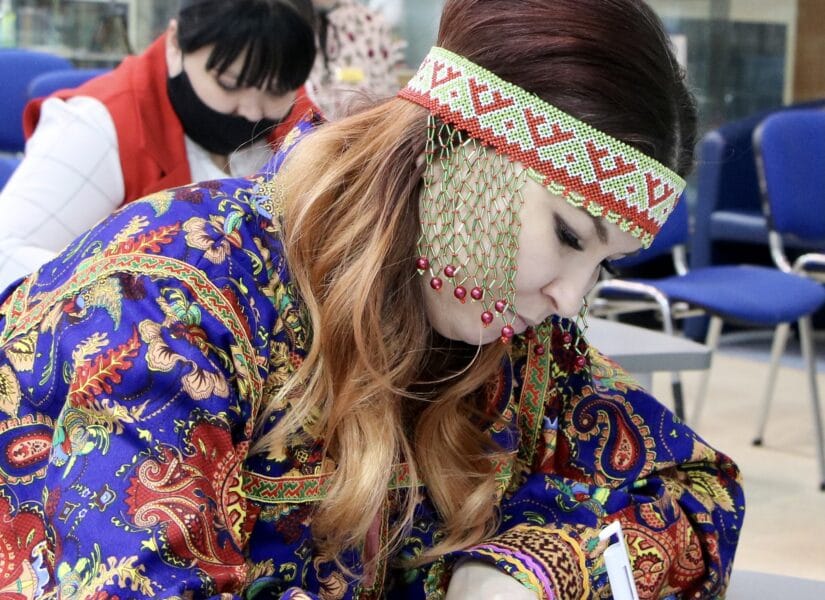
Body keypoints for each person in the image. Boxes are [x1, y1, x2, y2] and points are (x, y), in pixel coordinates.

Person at [0, 0, 744, 597]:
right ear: (459, 150)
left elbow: (696, 493)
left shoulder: (507, 339)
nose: (569, 297)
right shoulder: (169, 304)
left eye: (604, 265)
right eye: (567, 234)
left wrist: (525, 574)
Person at [0, 0, 318, 291]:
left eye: (276, 91)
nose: (252, 110)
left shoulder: (298, 123)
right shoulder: (99, 126)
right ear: (175, 43)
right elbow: (6, 253)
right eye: (230, 84)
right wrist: (139, 291)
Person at [308, 0, 405, 119]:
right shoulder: (294, 22)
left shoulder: (370, 23)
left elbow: (386, 92)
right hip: (308, 124)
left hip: (365, 123)